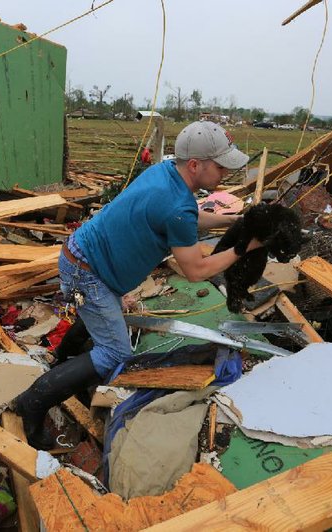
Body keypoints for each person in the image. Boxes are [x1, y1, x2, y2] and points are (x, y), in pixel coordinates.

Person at [15, 121, 262, 449]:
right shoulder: (177, 206)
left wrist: (234, 221)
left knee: (101, 320)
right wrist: (245, 247)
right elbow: (196, 270)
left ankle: (65, 360)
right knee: (115, 351)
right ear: (194, 165)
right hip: (89, 273)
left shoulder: (166, 174)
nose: (225, 175)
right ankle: (33, 402)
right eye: (220, 167)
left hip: (87, 258)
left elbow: (191, 218)